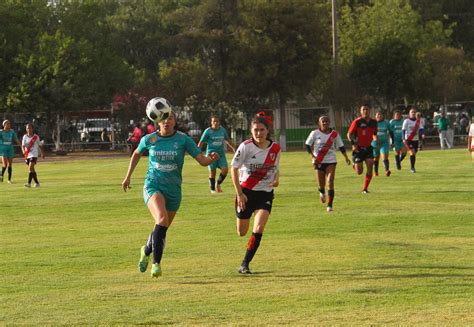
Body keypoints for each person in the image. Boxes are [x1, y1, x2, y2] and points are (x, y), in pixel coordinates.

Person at [122, 108, 219, 278]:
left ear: (175, 121)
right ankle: (156, 264)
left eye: (170, 118)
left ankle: (145, 251)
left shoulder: (183, 140)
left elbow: (202, 160)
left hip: (174, 191)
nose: (167, 121)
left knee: (162, 228)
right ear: (157, 120)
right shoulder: (150, 139)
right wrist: (128, 176)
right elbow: (137, 153)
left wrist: (211, 159)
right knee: (161, 219)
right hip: (153, 186)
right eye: (164, 119)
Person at [231, 115, 280, 274]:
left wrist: (276, 180)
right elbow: (234, 168)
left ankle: (244, 264)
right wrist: (239, 194)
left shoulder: (275, 149)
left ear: (268, 130)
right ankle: (242, 211)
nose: (259, 133)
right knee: (241, 232)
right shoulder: (245, 146)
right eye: (255, 130)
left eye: (262, 130)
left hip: (265, 194)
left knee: (259, 227)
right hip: (245, 193)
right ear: (251, 131)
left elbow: (275, 168)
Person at [305, 116, 350, 212]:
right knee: (321, 185)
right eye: (323, 121)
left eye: (326, 121)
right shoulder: (314, 133)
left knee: (330, 181)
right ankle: (321, 192)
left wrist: (346, 157)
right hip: (319, 161)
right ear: (319, 123)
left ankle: (329, 205)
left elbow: (341, 146)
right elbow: (307, 145)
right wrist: (313, 156)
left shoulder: (334, 134)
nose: (325, 123)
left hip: (331, 161)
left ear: (329, 122)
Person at [198, 116, 236, 193]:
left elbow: (227, 140)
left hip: (221, 154)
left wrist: (234, 148)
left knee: (225, 170)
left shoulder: (222, 130)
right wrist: (198, 153)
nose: (216, 123)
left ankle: (218, 183)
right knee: (212, 173)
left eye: (217, 121)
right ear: (211, 123)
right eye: (214, 121)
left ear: (219, 122)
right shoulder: (207, 131)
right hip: (211, 155)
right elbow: (201, 142)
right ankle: (213, 191)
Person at [347, 105, 378, 193]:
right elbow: (348, 135)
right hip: (358, 148)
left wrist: (376, 141)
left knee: (370, 164)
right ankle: (354, 164)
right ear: (360, 111)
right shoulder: (357, 122)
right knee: (359, 172)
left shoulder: (374, 122)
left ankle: (365, 188)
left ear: (370, 110)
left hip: (368, 147)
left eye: (367, 109)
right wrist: (353, 144)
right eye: (363, 109)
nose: (365, 111)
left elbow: (375, 134)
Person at [21, 123, 45, 187]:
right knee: (32, 170)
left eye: (30, 128)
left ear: (32, 129)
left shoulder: (36, 137)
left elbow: (40, 145)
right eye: (28, 128)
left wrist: (42, 153)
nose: (29, 129)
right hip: (27, 154)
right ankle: (37, 183)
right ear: (26, 129)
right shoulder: (25, 137)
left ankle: (29, 183)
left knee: (30, 167)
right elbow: (23, 146)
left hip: (34, 154)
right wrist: (23, 151)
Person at [402, 107, 424, 173]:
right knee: (412, 153)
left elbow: (421, 129)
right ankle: (412, 168)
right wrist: (403, 138)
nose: (413, 113)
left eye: (414, 112)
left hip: (416, 140)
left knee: (414, 153)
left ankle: (399, 159)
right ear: (409, 113)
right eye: (412, 112)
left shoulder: (418, 121)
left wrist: (422, 134)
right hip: (408, 139)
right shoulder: (406, 121)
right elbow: (403, 130)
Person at [372, 111, 392, 176]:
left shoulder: (386, 122)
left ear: (383, 116)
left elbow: (391, 132)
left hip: (384, 143)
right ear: (375, 116)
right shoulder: (372, 123)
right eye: (378, 115)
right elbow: (370, 132)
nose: (379, 116)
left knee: (385, 156)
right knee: (376, 157)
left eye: (380, 115)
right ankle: (375, 172)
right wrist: (374, 138)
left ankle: (387, 170)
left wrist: (393, 141)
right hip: (374, 143)